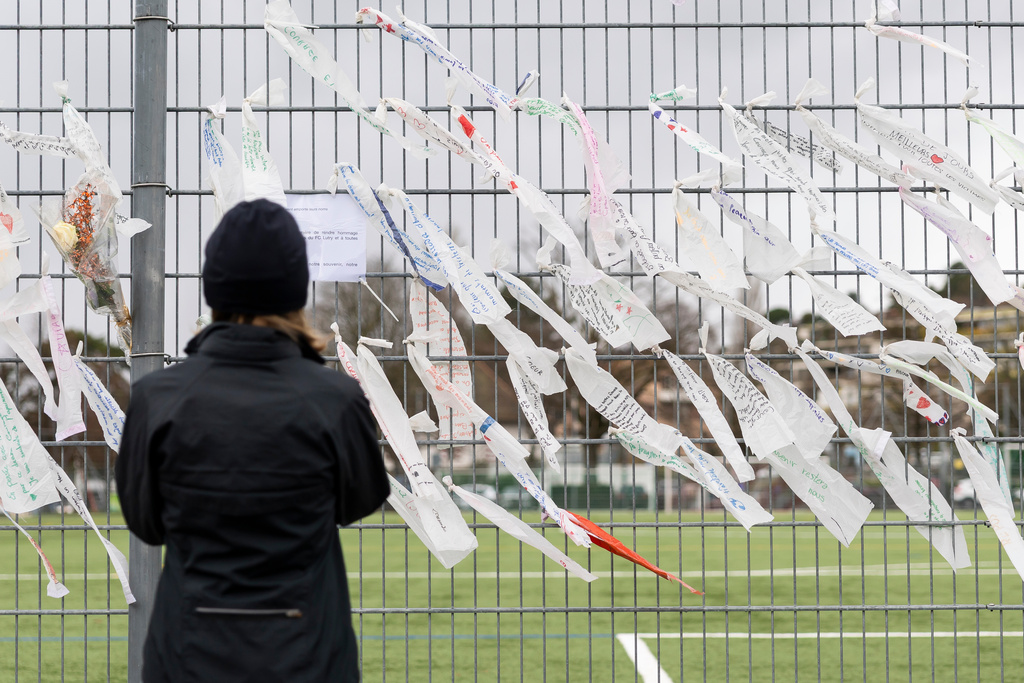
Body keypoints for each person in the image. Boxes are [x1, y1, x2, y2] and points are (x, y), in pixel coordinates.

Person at [116, 198, 390, 682]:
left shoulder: (157, 399)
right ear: (293, 292)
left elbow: (147, 523)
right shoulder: (335, 400)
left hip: (188, 656)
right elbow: (361, 500)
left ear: (214, 289)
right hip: (309, 657)